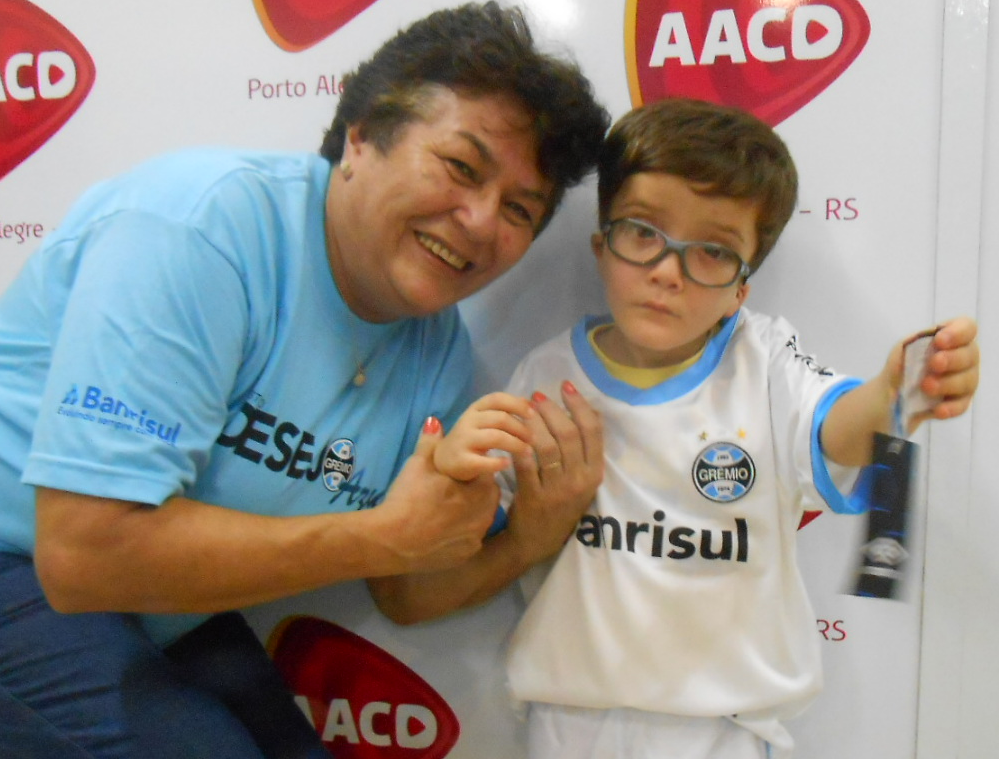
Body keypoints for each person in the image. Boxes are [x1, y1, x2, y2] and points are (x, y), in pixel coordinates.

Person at [0, 1, 609, 759]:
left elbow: (403, 587)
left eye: (519, 209)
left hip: (143, 604)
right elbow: (85, 553)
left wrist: (525, 537)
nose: (478, 219)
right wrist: (382, 534)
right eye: (461, 167)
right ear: (362, 136)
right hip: (7, 560)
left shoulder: (436, 348)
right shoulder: (203, 227)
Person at [418, 98, 981, 758]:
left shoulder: (765, 363)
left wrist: (896, 395)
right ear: (601, 247)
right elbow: (472, 524)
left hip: (720, 732)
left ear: (741, 288)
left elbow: (837, 428)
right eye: (642, 232)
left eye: (712, 251)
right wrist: (455, 468)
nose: (667, 270)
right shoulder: (546, 374)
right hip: (566, 721)